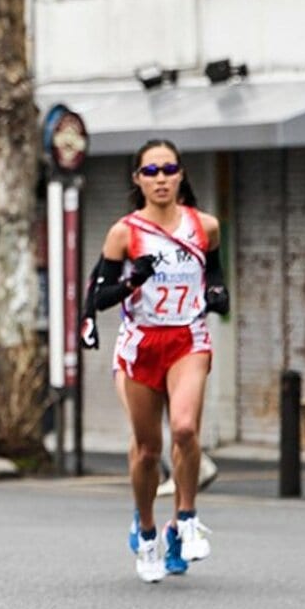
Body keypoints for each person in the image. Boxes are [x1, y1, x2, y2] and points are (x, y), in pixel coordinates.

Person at [86, 138, 229, 583]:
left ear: (182, 174)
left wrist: (218, 295)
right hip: (141, 344)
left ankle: (184, 519)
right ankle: (147, 530)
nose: (161, 178)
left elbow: (216, 274)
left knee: (185, 429)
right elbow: (97, 297)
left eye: (168, 169)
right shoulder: (124, 232)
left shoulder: (205, 226)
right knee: (147, 450)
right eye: (151, 171)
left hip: (188, 339)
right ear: (138, 180)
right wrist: (134, 281)